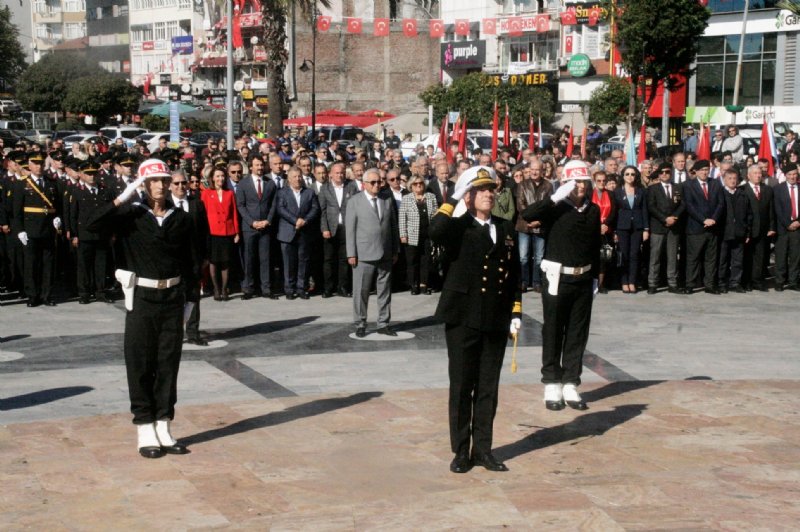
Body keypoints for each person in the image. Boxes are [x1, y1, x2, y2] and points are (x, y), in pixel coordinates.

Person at [86, 158, 197, 459]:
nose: (160, 185)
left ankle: (164, 423)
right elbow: (92, 224)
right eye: (153, 181)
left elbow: (190, 262)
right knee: (139, 362)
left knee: (167, 363)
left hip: (172, 297)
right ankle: (144, 425)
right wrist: (125, 195)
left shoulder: (181, 218)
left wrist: (191, 302)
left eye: (164, 179)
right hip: (142, 298)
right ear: (143, 185)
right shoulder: (131, 217)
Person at [429, 166, 522, 474]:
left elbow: (515, 275)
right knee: (462, 385)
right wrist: (453, 195)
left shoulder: (506, 227)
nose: (488, 194)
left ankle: (483, 449)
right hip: (463, 316)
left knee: (487, 387)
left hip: (495, 317)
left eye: (491, 190)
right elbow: (435, 232)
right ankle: (460, 451)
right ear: (469, 196)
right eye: (481, 190)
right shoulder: (459, 225)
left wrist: (516, 312)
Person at [521, 160, 600, 412]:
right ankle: (552, 381)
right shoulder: (555, 208)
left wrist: (596, 276)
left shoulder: (593, 210)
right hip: (557, 277)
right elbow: (528, 215)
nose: (580, 187)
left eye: (584, 183)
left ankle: (570, 382)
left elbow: (595, 245)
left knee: (578, 331)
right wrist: (554, 197)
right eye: (575, 182)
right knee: (554, 329)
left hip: (583, 277)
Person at [345, 167, 399, 337]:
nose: (377, 185)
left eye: (379, 182)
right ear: (365, 184)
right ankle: (360, 323)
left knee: (385, 290)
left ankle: (383, 323)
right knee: (361, 291)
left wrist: (395, 249)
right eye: (373, 182)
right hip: (363, 253)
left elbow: (393, 227)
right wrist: (351, 253)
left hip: (385, 252)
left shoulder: (387, 200)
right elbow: (350, 229)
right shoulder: (355, 201)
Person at [12, 152, 62, 307]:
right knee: (31, 264)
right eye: (35, 163)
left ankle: (46, 294)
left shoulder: (52, 183)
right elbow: (17, 211)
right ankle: (32, 295)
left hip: (48, 229)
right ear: (29, 165)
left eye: (41, 163)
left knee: (48, 264)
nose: (38, 166)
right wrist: (20, 230)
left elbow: (57, 205)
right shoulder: (22, 184)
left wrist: (58, 217)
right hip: (30, 229)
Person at [170, 169, 209, 345]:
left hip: (194, 259)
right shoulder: (166, 204)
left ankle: (193, 332)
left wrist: (206, 256)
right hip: (173, 260)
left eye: (183, 183)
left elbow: (204, 232)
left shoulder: (196, 204)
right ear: (170, 186)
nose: (180, 187)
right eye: (176, 183)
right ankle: (174, 333)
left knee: (193, 297)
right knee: (174, 298)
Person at [69, 160, 114, 304]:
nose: (91, 177)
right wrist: (74, 234)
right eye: (88, 174)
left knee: (100, 265)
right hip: (84, 234)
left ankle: (100, 292)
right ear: (81, 174)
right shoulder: (76, 191)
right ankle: (84, 293)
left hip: (101, 234)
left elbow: (110, 213)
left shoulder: (105, 190)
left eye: (94, 173)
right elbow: (73, 215)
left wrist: (112, 233)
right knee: (84, 265)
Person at [236, 155, 279, 300]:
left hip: (266, 227)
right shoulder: (243, 184)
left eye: (261, 165)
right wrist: (251, 222)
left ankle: (266, 288)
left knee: (265, 258)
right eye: (257, 165)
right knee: (249, 258)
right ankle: (248, 288)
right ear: (251, 167)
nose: (260, 168)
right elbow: (241, 206)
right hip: (250, 228)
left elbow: (274, 204)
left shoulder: (270, 183)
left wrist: (268, 220)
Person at [275, 165, 320, 299]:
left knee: (303, 262)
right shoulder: (282, 192)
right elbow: (281, 209)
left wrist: (305, 220)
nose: (297, 179)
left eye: (299, 176)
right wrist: (295, 220)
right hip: (287, 232)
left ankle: (301, 288)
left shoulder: (309, 192)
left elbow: (315, 209)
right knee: (288, 263)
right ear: (288, 179)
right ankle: (289, 289)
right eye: (294, 176)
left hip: (304, 232)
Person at [683, 160, 725, 294]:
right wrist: (703, 220)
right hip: (696, 228)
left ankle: (709, 285)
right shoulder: (688, 185)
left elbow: (720, 204)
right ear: (695, 171)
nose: (704, 172)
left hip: (712, 227)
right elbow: (689, 206)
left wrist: (713, 219)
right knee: (693, 258)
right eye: (701, 170)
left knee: (711, 258)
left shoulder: (715, 183)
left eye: (706, 169)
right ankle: (690, 284)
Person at [201, 167, 240, 301]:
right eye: (217, 176)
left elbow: (234, 213)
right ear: (212, 178)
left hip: (226, 231)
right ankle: (216, 288)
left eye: (222, 176)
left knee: (225, 262)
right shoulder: (206, 193)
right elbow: (203, 214)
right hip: (212, 232)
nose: (220, 179)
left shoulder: (229, 193)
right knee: (213, 262)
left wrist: (236, 232)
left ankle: (224, 288)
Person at [647, 162, 685, 294]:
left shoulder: (678, 187)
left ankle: (672, 283)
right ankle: (652, 283)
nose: (664, 174)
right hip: (658, 225)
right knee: (655, 256)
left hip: (674, 226)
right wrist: (665, 219)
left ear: (671, 173)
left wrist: (674, 217)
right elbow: (651, 207)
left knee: (672, 256)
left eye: (667, 172)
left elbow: (682, 205)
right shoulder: (653, 188)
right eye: (662, 172)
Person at [516, 160, 552, 292]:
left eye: (537, 170)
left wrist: (539, 221)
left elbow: (549, 206)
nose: (534, 172)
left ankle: (537, 282)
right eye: (532, 169)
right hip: (524, 224)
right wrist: (529, 218)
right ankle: (524, 281)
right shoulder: (522, 185)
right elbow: (520, 204)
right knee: (523, 257)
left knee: (539, 257)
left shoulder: (548, 186)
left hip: (540, 225)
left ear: (542, 171)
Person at [613, 165, 649, 293]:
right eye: (627, 174)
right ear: (622, 176)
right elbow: (615, 212)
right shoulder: (617, 192)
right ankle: (624, 281)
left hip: (637, 227)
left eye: (632, 174)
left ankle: (632, 281)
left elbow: (644, 210)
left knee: (634, 254)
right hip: (622, 226)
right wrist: (614, 231)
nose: (630, 177)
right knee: (623, 255)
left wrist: (646, 229)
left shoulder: (641, 191)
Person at [399, 175, 437, 295]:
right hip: (412, 235)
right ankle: (414, 284)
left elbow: (436, 215)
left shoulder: (431, 197)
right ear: (411, 186)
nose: (419, 185)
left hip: (427, 234)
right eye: (415, 184)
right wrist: (403, 234)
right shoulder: (406, 198)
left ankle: (424, 284)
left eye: (420, 183)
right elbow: (402, 218)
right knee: (412, 260)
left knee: (426, 260)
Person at [318, 162, 352, 298]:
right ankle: (328, 288)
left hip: (346, 227)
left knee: (344, 259)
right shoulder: (325, 189)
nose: (340, 175)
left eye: (342, 172)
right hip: (330, 228)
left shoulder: (351, 186)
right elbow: (322, 211)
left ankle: (342, 287)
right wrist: (324, 228)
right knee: (329, 260)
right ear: (330, 174)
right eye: (337, 173)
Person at [741, 164, 775, 291]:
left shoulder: (767, 190)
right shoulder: (742, 190)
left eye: (760, 173)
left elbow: (771, 210)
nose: (758, 175)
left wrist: (772, 227)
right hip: (748, 230)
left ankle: (757, 280)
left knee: (760, 257)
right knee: (747, 256)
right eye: (755, 173)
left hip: (763, 230)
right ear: (748, 175)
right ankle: (746, 281)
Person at [718, 169, 752, 293]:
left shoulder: (742, 194)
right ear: (724, 179)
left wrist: (747, 232)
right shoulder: (720, 193)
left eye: (734, 178)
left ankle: (735, 282)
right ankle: (721, 282)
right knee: (723, 260)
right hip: (724, 233)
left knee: (737, 260)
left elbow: (748, 215)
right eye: (730, 178)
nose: (732, 181)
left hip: (739, 232)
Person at [773, 163, 800, 291]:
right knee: (781, 255)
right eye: (790, 174)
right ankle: (779, 281)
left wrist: (798, 222)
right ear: (785, 176)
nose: (792, 177)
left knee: (795, 256)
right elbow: (777, 209)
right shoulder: (778, 189)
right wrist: (787, 224)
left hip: (798, 227)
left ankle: (793, 281)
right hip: (783, 228)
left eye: (795, 174)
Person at [590, 170, 615, 294]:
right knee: (592, 257)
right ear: (594, 181)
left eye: (604, 180)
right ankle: (591, 283)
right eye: (599, 180)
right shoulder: (589, 194)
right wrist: (597, 225)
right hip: (592, 230)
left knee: (604, 258)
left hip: (606, 230)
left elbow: (614, 212)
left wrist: (606, 224)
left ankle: (601, 284)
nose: (601, 183)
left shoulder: (610, 194)